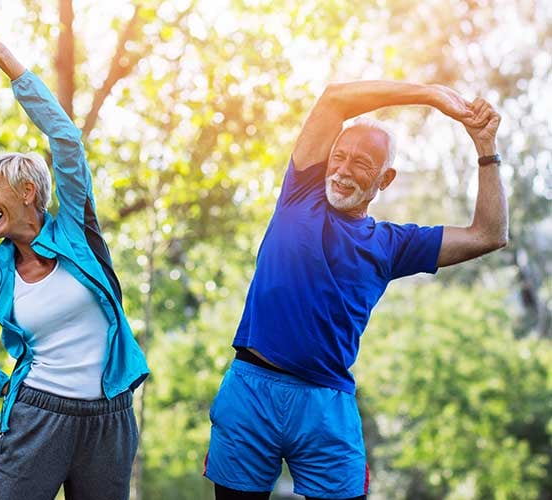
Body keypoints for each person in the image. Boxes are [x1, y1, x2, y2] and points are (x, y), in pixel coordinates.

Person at [204, 79, 507, 500]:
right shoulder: (300, 193)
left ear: (386, 178)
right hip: (252, 391)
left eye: (361, 164)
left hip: (328, 409)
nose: (343, 171)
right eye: (339, 157)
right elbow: (333, 98)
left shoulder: (393, 244)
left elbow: (488, 234)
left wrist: (485, 149)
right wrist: (432, 96)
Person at [0, 28, 149, 500]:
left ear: (27, 191)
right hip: (38, 418)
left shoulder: (76, 231)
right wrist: (2, 383)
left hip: (109, 419)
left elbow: (65, 139)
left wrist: (9, 64)